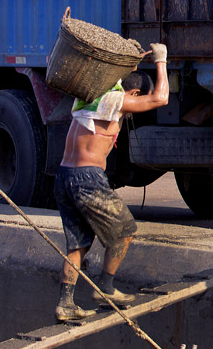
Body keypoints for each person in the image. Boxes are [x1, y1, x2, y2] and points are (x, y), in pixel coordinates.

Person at [53, 43, 170, 321]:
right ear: (133, 94)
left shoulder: (89, 95)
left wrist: (131, 62)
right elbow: (160, 98)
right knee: (125, 230)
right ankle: (105, 288)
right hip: (86, 178)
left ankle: (65, 303)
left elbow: (118, 80)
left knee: (78, 243)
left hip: (63, 176)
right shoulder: (115, 100)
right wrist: (162, 61)